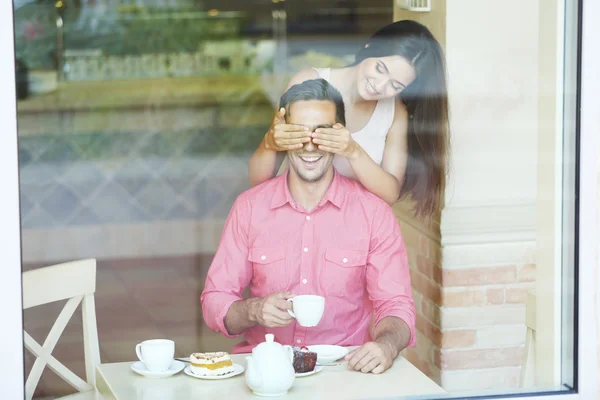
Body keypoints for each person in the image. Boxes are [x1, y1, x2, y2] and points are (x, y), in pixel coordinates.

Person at [201, 79, 415, 374]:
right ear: (281, 134)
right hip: (266, 368)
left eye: (322, 133)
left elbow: (396, 304)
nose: (310, 145)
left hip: (345, 371)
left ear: (340, 136)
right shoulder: (250, 207)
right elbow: (215, 300)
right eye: (298, 133)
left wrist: (387, 346)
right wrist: (253, 309)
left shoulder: (374, 214)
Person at [249, 20, 449, 216]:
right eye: (380, 69)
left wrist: (352, 151)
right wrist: (270, 143)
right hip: (290, 218)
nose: (380, 86)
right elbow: (257, 182)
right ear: (370, 46)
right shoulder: (306, 83)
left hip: (350, 228)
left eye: (395, 85)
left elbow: (390, 194)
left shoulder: (395, 114)